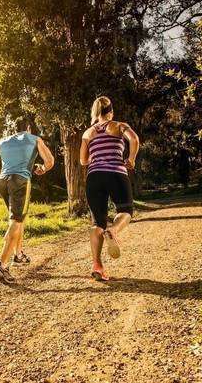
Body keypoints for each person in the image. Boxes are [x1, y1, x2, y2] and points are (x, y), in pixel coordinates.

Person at [0, 118, 55, 283]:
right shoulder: (34, 139)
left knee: (18, 219)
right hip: (20, 180)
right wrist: (42, 168)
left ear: (14, 129)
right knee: (16, 221)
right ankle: (2, 265)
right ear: (28, 128)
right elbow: (50, 160)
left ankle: (18, 254)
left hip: (2, 182)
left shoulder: (3, 141)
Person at [80, 96, 140, 281]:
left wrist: (96, 158)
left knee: (97, 222)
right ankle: (113, 231)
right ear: (111, 112)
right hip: (116, 173)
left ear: (96, 113)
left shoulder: (88, 133)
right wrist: (131, 159)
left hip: (94, 177)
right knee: (126, 210)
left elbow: (83, 161)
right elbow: (135, 139)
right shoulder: (119, 125)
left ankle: (97, 266)